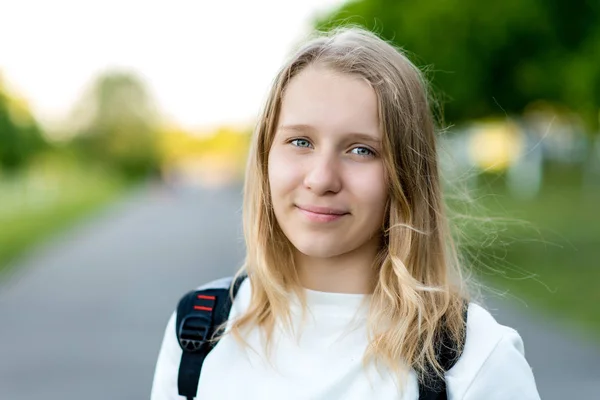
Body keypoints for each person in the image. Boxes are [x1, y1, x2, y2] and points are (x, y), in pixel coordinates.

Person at [150, 26, 540, 399]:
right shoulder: (196, 332)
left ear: (407, 174)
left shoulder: (474, 362)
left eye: (361, 150)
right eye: (300, 141)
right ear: (265, 156)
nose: (321, 179)